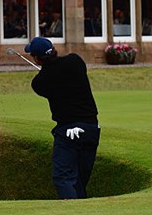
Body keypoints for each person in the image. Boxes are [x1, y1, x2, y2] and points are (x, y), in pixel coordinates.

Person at [27, 36, 100, 199]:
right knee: (79, 181)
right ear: (53, 50)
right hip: (91, 129)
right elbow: (63, 73)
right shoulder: (75, 61)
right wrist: (49, 70)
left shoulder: (39, 82)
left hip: (68, 131)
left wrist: (46, 71)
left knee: (64, 178)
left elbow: (45, 84)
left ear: (37, 59)